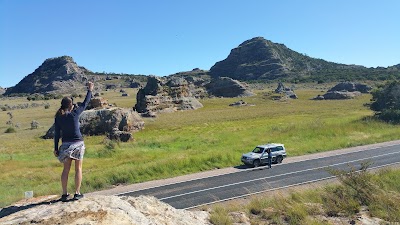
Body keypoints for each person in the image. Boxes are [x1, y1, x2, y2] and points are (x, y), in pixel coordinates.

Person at [54, 82, 93, 201]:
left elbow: (57, 134)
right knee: (78, 168)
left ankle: (65, 194)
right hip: (78, 144)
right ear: (71, 105)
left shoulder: (58, 117)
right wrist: (90, 90)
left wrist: (55, 148)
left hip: (65, 145)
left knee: (66, 169)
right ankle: (77, 193)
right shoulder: (75, 114)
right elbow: (86, 102)